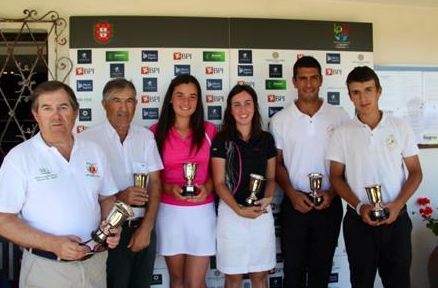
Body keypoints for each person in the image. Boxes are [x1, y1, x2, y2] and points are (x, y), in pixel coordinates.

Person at [0, 81, 121, 288]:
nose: (56, 115)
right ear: (36, 115)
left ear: (75, 112)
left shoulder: (94, 151)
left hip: (94, 265)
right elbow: (2, 221)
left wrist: (112, 225)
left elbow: (107, 198)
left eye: (63, 107)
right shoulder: (19, 158)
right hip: (47, 268)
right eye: (47, 108)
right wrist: (52, 243)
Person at [327, 66, 423, 288]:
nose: (363, 97)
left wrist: (398, 205)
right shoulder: (342, 133)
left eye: (368, 89)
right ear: (350, 96)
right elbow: (335, 177)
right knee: (361, 283)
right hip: (358, 222)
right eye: (356, 92)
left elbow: (416, 172)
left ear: (379, 91)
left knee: (399, 283)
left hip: (396, 220)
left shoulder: (400, 127)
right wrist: (360, 206)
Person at [270, 56, 349, 288]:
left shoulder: (340, 116)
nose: (308, 84)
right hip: (294, 205)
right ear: (294, 82)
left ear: (321, 80)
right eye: (302, 78)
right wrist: (292, 194)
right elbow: (277, 163)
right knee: (292, 272)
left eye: (313, 77)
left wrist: (333, 193)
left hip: (329, 204)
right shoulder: (280, 120)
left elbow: (347, 163)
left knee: (321, 272)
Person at [78, 78, 163, 288]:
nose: (124, 108)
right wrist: (120, 197)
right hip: (108, 233)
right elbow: (83, 193)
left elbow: (155, 184)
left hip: (143, 229)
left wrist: (146, 228)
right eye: (117, 100)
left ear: (136, 104)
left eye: (130, 101)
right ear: (104, 104)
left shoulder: (145, 137)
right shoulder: (87, 140)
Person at [149, 74, 217, 288]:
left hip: (202, 212)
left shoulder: (209, 131)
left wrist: (206, 188)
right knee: (177, 279)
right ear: (170, 98)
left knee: (195, 282)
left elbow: (219, 175)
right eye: (180, 95)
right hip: (169, 212)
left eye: (192, 97)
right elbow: (153, 178)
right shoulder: (154, 132)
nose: (186, 102)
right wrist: (170, 188)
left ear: (198, 101)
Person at [211, 84, 277, 288]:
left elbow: (272, 178)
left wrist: (267, 198)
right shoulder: (222, 140)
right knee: (233, 277)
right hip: (231, 213)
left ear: (255, 107)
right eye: (237, 105)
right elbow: (219, 183)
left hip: (260, 212)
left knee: (260, 275)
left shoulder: (266, 139)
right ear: (230, 110)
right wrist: (238, 209)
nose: (243, 110)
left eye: (247, 104)